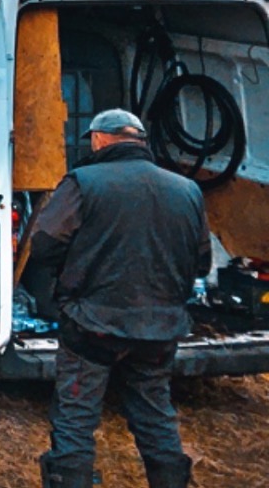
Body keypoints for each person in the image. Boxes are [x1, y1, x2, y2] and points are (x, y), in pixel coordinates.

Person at [25, 108, 210, 488]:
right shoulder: (187, 190)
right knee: (156, 414)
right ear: (139, 140)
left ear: (99, 139)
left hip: (93, 326)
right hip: (159, 330)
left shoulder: (83, 182)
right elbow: (202, 261)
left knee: (76, 418)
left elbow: (43, 244)